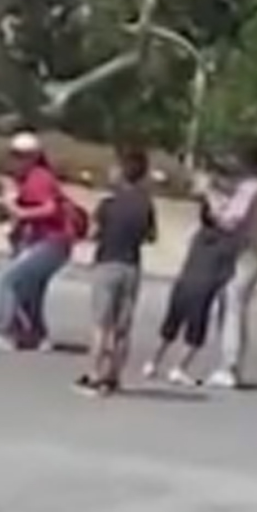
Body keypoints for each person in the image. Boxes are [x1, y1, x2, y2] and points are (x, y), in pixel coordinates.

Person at [142, 175, 242, 387]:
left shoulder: (199, 236)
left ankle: (152, 362)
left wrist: (209, 191)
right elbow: (226, 271)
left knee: (170, 327)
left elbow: (214, 211)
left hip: (182, 284)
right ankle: (178, 368)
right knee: (195, 336)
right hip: (202, 290)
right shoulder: (228, 243)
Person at [0, 132, 75, 352]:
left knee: (10, 280)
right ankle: (38, 336)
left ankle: (5, 333)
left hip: (52, 241)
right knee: (30, 289)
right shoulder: (28, 179)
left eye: (20, 156)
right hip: (52, 242)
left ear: (33, 157)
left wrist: (20, 213)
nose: (15, 160)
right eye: (13, 155)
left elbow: (50, 208)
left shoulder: (39, 178)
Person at [75, 145, 156, 396]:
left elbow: (92, 233)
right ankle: (114, 376)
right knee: (122, 326)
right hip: (131, 266)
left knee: (101, 324)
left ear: (121, 172)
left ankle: (94, 374)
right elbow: (150, 236)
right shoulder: (145, 205)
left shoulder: (108, 204)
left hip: (107, 263)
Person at [209, 140, 257, 390]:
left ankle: (230, 367)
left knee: (233, 310)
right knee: (231, 309)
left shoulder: (250, 188)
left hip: (244, 257)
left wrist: (210, 195)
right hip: (248, 255)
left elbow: (230, 220)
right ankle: (229, 364)